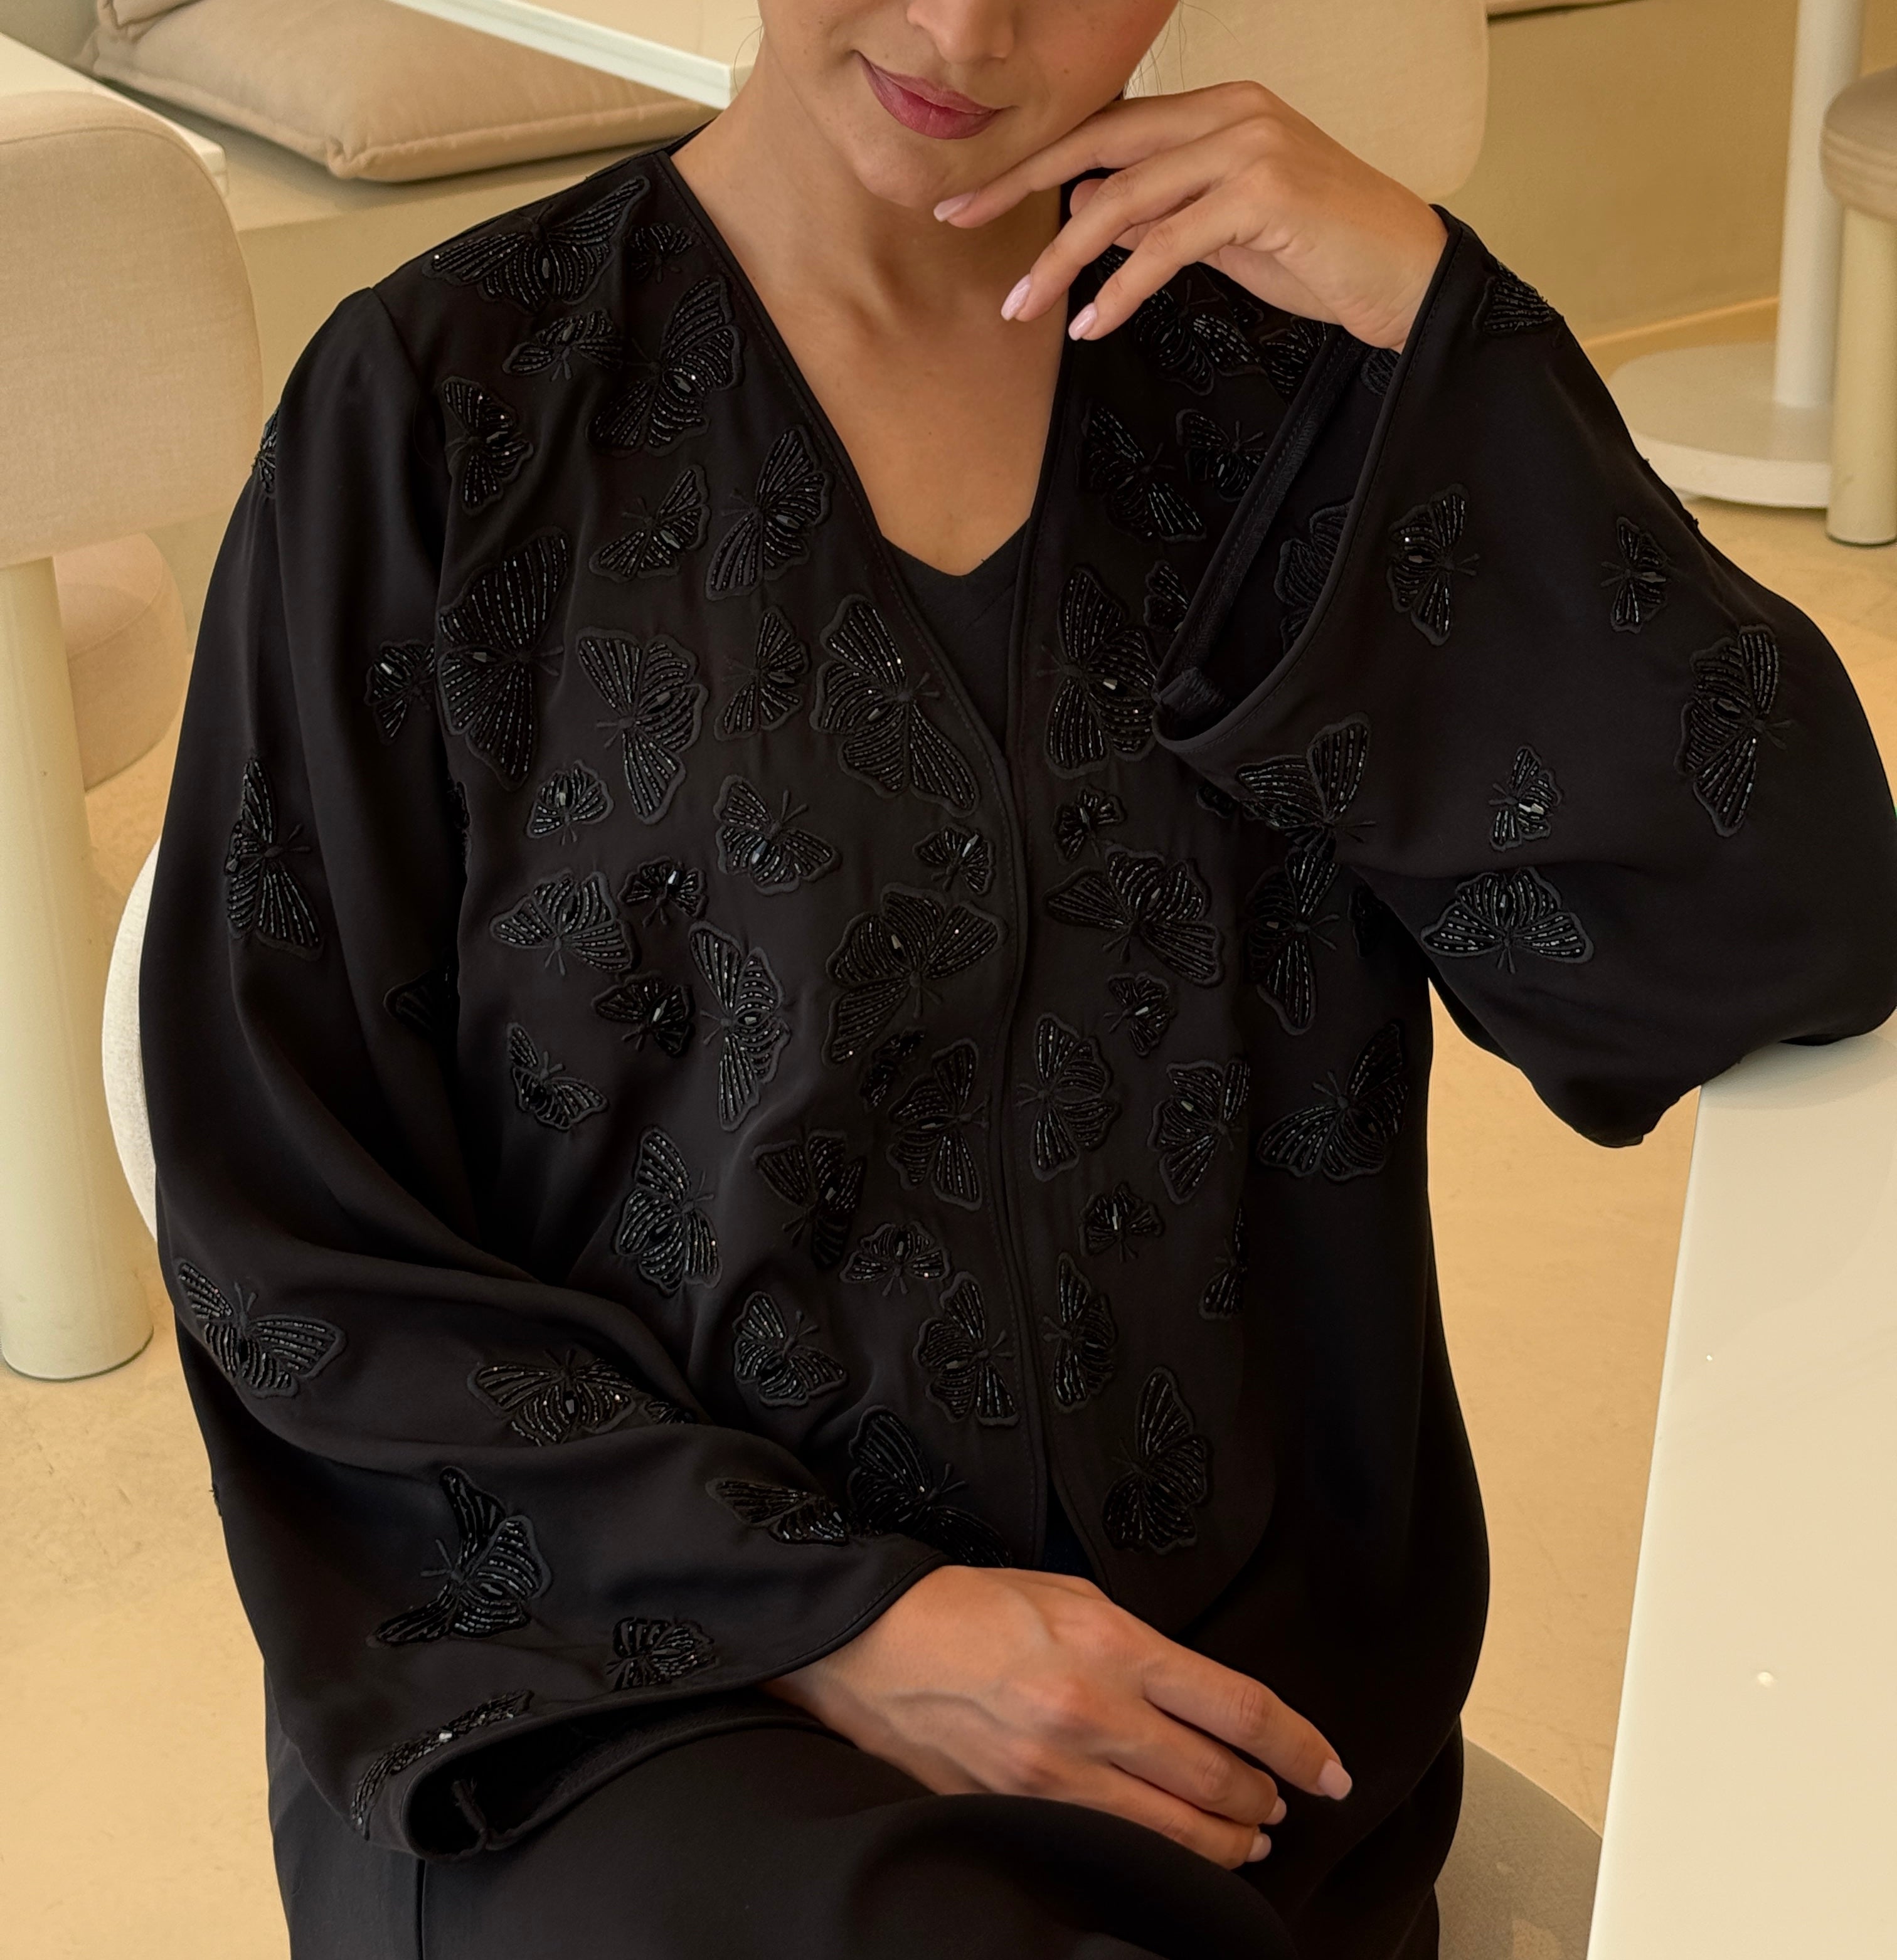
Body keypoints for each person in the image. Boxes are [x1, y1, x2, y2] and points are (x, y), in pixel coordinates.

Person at [139, 2, 1897, 1956]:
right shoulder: (444, 405)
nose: (964, 25)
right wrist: (840, 1619)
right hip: (624, 1701)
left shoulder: (1292, 386)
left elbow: (1776, 933)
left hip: (1212, 1723)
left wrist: (1437, 325)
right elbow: (286, 1214)